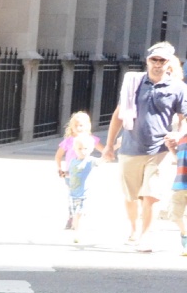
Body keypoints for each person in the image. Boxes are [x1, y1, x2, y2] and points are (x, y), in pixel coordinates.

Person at [102, 41, 187, 251]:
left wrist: (179, 132)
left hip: (159, 149)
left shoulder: (178, 88)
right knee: (131, 196)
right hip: (131, 147)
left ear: (169, 64)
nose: (157, 64)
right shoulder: (134, 83)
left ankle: (145, 235)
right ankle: (133, 229)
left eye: (162, 60)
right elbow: (119, 115)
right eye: (153, 59)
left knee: (152, 194)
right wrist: (109, 145)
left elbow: (184, 116)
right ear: (147, 61)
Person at [53, 110, 99, 238]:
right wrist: (59, 168)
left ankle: (79, 216)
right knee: (73, 196)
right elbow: (58, 156)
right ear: (72, 127)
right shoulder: (69, 141)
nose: (79, 128)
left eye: (82, 125)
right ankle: (72, 216)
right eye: (76, 125)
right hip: (70, 174)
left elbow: (104, 150)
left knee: (83, 196)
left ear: (88, 126)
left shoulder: (91, 140)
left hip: (85, 175)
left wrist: (114, 147)